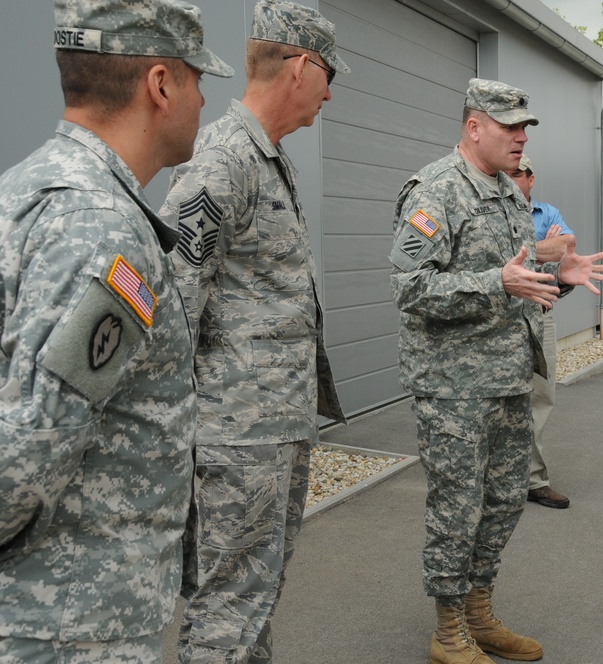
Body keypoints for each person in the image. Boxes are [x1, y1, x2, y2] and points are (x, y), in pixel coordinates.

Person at [0, 1, 232, 661]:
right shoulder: (101, 226)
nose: (203, 100)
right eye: (196, 78)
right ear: (160, 85)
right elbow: (28, 450)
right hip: (69, 619)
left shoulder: (32, 186)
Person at [389, 78, 603, 664]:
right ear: (474, 127)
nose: (521, 137)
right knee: (456, 508)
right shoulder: (435, 191)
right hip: (453, 388)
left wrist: (558, 277)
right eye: (510, 126)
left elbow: (519, 281)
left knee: (506, 499)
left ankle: (478, 611)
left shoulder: (511, 195)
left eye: (524, 127)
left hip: (509, 377)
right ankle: (448, 631)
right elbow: (410, 288)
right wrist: (498, 282)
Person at [158, 1, 347, 661]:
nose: (330, 92)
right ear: (300, 67)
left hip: (271, 425)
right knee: (229, 606)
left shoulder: (269, 158)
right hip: (237, 435)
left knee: (252, 597)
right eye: (329, 75)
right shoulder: (224, 159)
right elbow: (172, 302)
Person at [507, 154, 574, 510]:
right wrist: (542, 250)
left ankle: (534, 480)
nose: (511, 179)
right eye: (506, 174)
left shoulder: (546, 212)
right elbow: (496, 261)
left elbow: (567, 248)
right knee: (498, 399)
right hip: (500, 317)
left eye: (518, 174)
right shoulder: (492, 212)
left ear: (531, 179)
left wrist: (533, 252)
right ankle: (497, 479)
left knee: (541, 396)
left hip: (540, 316)